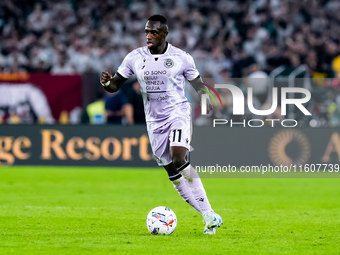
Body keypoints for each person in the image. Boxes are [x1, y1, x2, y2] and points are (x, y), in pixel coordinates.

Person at [100, 14, 222, 234]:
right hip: (154, 121)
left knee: (179, 159)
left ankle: (209, 214)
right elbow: (114, 85)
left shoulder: (182, 57)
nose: (149, 36)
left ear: (165, 34)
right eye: (147, 31)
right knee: (172, 173)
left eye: (154, 32)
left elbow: (198, 84)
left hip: (178, 113)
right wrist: (107, 82)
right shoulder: (134, 58)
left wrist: (207, 98)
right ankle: (208, 215)